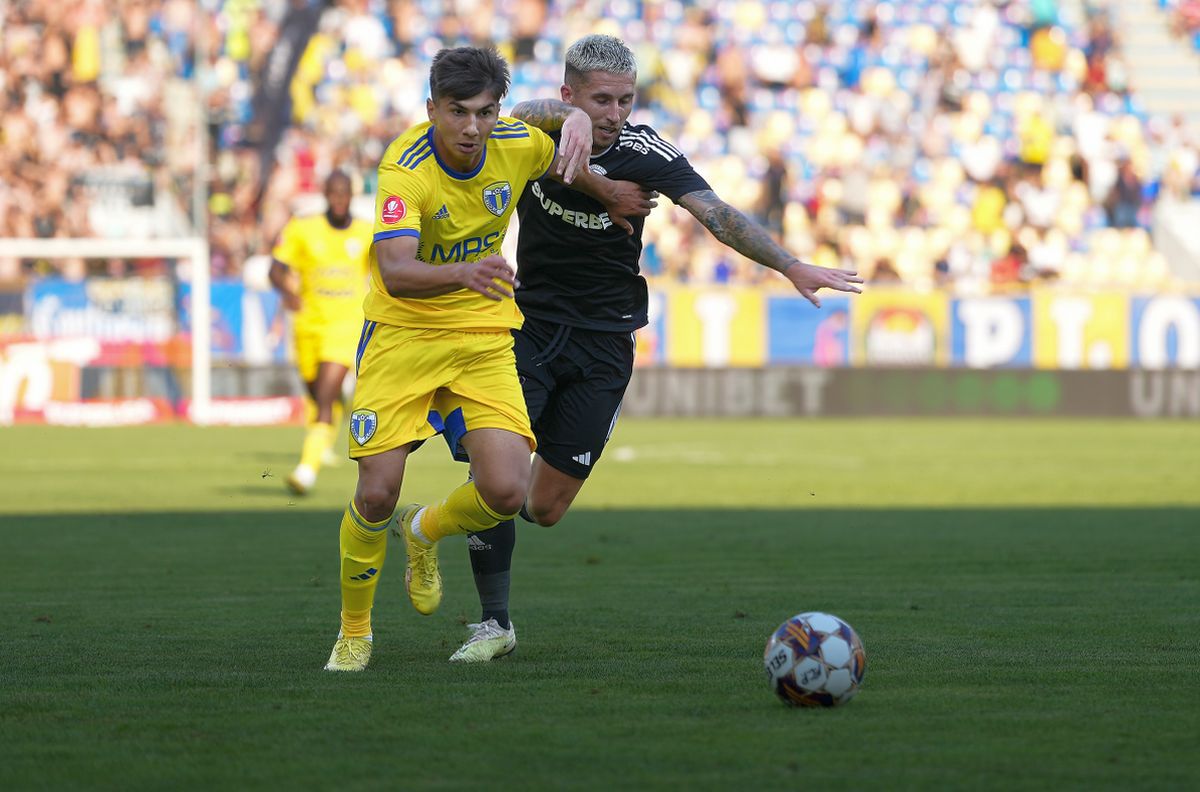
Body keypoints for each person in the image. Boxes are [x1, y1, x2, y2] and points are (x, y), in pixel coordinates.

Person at [445, 34, 863, 663]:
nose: (614, 113)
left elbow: (716, 214)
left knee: (545, 507)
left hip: (606, 341)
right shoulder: (532, 134)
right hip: (524, 327)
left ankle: (470, 503)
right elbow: (510, 113)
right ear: (570, 95)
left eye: (624, 100)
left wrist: (788, 263)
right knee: (497, 479)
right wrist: (592, 171)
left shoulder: (648, 154)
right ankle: (493, 622)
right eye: (599, 101)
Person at [324, 45, 650, 672]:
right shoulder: (405, 168)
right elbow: (394, 272)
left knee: (505, 491)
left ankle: (424, 531)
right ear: (432, 110)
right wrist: (466, 271)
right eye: (457, 112)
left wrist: (602, 184)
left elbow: (556, 157)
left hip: (481, 335)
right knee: (376, 493)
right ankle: (355, 633)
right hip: (404, 334)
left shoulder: (511, 140)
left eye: (484, 112)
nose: (472, 127)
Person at [268, 171, 371, 496]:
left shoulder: (367, 233)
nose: (340, 199)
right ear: (326, 194)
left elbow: (388, 270)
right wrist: (287, 291)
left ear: (352, 195)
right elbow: (276, 269)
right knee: (316, 394)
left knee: (324, 396)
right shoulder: (302, 228)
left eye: (345, 193)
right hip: (308, 325)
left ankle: (306, 469)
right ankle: (324, 435)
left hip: (346, 327)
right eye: (334, 193)